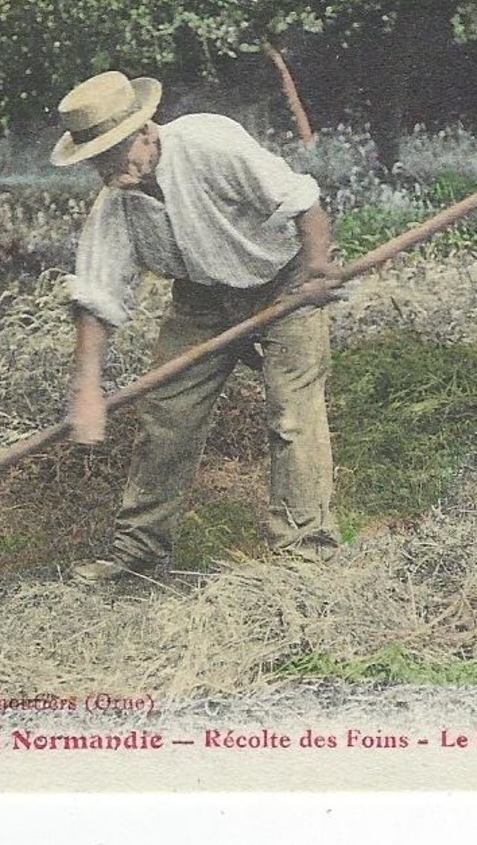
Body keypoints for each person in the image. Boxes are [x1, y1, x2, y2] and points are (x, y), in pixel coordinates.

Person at [52, 70, 345, 583]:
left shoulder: (212, 143)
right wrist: (87, 387)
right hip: (201, 300)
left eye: (114, 152)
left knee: (293, 414)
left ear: (146, 131)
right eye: (96, 159)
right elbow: (97, 295)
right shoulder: (116, 203)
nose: (107, 168)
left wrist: (318, 268)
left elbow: (303, 201)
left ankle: (305, 554)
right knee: (166, 414)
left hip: (283, 280)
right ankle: (137, 555)